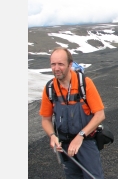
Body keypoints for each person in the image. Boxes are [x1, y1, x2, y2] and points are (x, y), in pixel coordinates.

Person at [39, 47, 105, 179]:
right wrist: (52, 135)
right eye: (53, 64)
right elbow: (46, 119)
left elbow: (100, 115)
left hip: (85, 142)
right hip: (65, 145)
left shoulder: (84, 84)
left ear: (70, 64)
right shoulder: (50, 88)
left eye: (61, 64)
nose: (56, 68)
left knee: (93, 176)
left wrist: (80, 136)